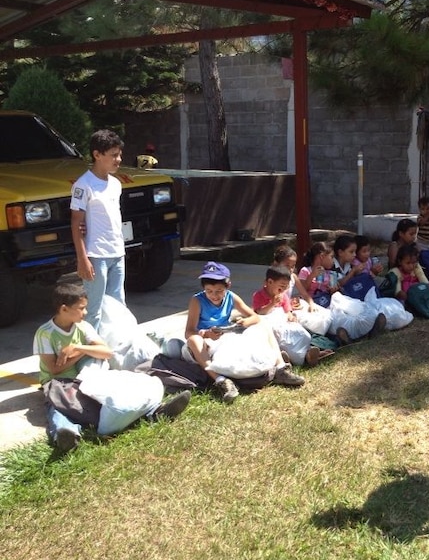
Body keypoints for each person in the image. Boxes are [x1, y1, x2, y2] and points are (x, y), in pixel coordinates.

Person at [34, 283, 189, 452]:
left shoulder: (83, 327)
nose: (85, 313)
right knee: (60, 407)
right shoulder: (45, 333)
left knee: (121, 391)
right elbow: (55, 370)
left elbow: (106, 352)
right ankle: (66, 436)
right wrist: (86, 352)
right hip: (59, 382)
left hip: (86, 377)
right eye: (81, 308)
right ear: (64, 309)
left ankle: (156, 411)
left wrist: (78, 349)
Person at [184, 261, 304, 402]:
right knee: (194, 340)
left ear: (227, 286)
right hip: (205, 342)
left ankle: (281, 368)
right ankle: (221, 381)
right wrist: (205, 334)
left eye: (219, 291)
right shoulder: (197, 301)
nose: (214, 295)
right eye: (209, 291)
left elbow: (255, 317)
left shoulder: (231, 297)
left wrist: (245, 322)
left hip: (225, 337)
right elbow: (189, 332)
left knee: (264, 325)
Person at [70, 129, 127, 330]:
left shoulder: (116, 184)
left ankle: (116, 351)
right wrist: (82, 259)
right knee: (94, 310)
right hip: (95, 255)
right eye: (113, 155)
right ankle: (90, 356)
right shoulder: (83, 185)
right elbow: (76, 223)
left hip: (117, 252)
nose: (118, 159)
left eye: (119, 154)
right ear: (97, 154)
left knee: (118, 307)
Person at [253, 265, 330, 367]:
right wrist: (272, 304)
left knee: (303, 334)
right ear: (270, 282)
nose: (283, 290)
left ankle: (306, 354)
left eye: (286, 287)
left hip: (284, 324)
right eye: (281, 287)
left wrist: (290, 316)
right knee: (284, 340)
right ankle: (300, 358)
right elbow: (259, 313)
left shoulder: (283, 295)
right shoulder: (258, 295)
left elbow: (287, 311)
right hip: (271, 326)